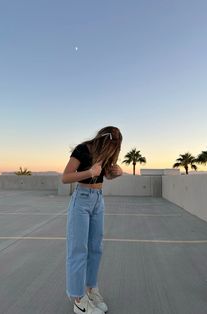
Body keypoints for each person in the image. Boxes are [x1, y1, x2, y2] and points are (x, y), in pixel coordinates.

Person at [62, 126, 123, 314]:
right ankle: (78, 299)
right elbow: (65, 177)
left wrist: (116, 172)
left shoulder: (106, 155)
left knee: (96, 248)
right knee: (78, 249)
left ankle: (91, 289)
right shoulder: (83, 149)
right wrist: (89, 172)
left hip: (98, 200)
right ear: (104, 140)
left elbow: (105, 176)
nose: (113, 150)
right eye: (112, 145)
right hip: (81, 200)